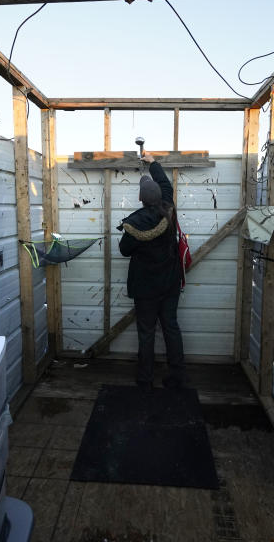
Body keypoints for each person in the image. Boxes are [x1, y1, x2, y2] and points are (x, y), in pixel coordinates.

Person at [118, 154, 185, 390]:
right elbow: (165, 185)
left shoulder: (135, 222)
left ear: (140, 198)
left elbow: (124, 250)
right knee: (171, 327)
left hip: (145, 290)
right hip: (170, 285)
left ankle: (145, 380)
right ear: (159, 197)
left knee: (146, 333)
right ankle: (177, 376)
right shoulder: (168, 208)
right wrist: (153, 161)